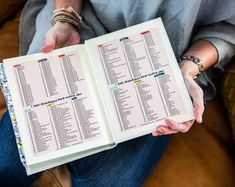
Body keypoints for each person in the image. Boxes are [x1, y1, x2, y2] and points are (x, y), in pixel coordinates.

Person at [0, 0, 235, 186]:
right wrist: (65, 19)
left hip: (162, 63)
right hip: (80, 34)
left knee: (107, 182)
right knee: (7, 163)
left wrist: (186, 69)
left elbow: (228, 28)